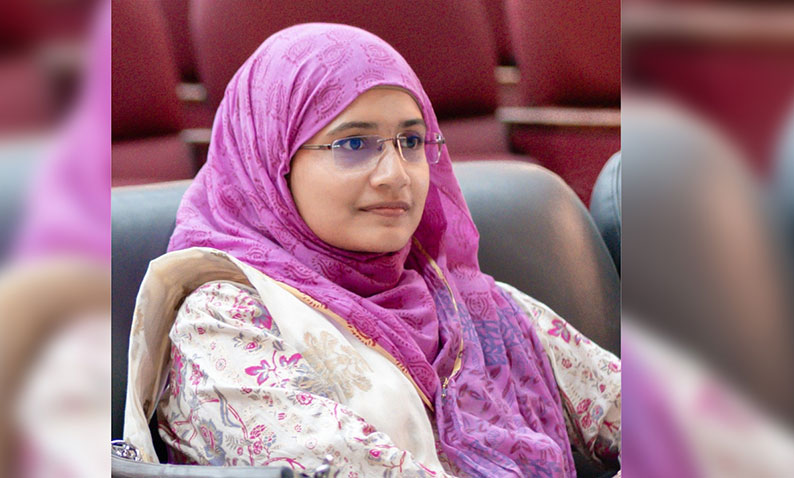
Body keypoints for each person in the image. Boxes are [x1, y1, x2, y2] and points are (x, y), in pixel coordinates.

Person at [123, 23, 620, 478]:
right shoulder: (224, 322)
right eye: (354, 144)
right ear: (273, 160)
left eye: (411, 141)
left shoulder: (463, 301)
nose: (395, 175)